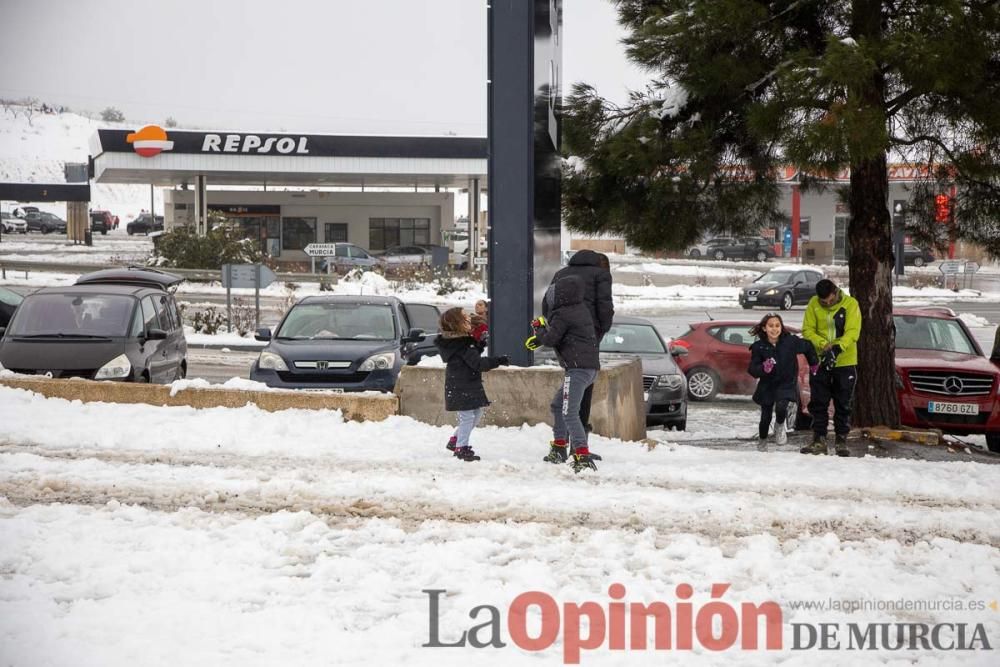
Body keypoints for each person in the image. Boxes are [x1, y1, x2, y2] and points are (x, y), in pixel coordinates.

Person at [527, 275, 601, 473]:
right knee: (558, 405)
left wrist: (539, 329)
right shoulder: (580, 309)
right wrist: (540, 338)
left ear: (560, 296)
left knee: (569, 413)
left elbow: (551, 339)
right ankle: (560, 447)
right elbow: (562, 337)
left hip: (577, 369)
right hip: (589, 368)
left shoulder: (563, 314)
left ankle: (581, 455)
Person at [543, 249, 614, 434]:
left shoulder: (561, 274)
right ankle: (579, 443)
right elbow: (605, 306)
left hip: (565, 332)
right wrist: (601, 330)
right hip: (589, 333)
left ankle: (562, 438)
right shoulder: (601, 274)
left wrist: (556, 325)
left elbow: (547, 302)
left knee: (572, 377)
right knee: (584, 385)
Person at [435, 307, 509, 461]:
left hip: (464, 384)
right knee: (467, 417)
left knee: (476, 413)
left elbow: (470, 356)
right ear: (458, 323)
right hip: (463, 386)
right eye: (466, 318)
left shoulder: (459, 343)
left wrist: (479, 344)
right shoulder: (463, 345)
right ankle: (461, 448)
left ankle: (455, 440)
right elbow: (478, 364)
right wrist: (499, 360)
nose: (469, 319)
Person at [800, 279, 862, 456]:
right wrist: (823, 345)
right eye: (823, 302)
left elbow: (853, 332)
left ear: (836, 292)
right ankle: (819, 438)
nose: (827, 304)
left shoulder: (851, 304)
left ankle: (841, 439)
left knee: (843, 403)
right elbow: (808, 330)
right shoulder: (813, 304)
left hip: (845, 362)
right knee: (819, 402)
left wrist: (837, 347)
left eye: (830, 300)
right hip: (820, 361)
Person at [748, 313, 819, 451]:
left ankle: (780, 425)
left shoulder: (790, 342)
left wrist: (814, 363)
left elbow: (808, 346)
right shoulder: (759, 347)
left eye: (777, 325)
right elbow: (752, 369)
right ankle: (762, 440)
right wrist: (763, 368)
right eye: (770, 326)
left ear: (781, 327)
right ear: (764, 328)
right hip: (767, 385)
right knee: (765, 418)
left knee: (781, 407)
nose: (774, 329)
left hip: (786, 382)